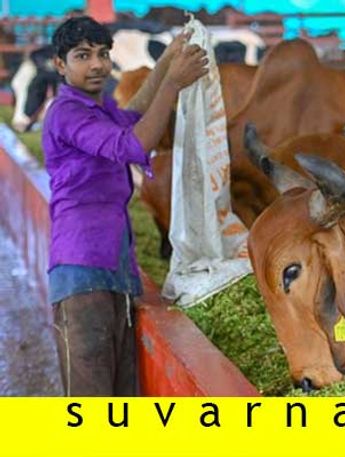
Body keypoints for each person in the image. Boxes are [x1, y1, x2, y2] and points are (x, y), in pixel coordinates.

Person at [43, 16, 208, 396]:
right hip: (81, 273)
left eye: (102, 54)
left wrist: (167, 59)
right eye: (82, 55)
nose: (98, 64)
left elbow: (134, 114)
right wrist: (173, 82)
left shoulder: (95, 111)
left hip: (115, 272)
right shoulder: (66, 113)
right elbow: (133, 145)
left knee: (120, 398)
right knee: (91, 404)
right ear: (60, 64)